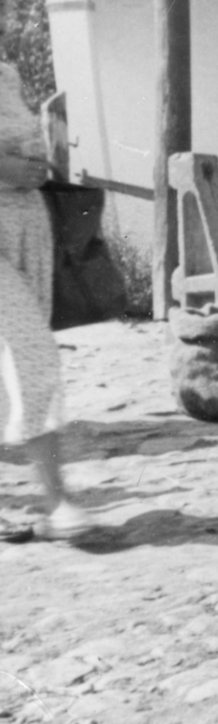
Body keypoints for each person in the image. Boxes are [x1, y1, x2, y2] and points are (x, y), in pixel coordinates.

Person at [0, 62, 93, 542]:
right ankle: (59, 503)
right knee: (32, 354)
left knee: (9, 369)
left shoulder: (7, 74)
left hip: (26, 229)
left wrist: (39, 162)